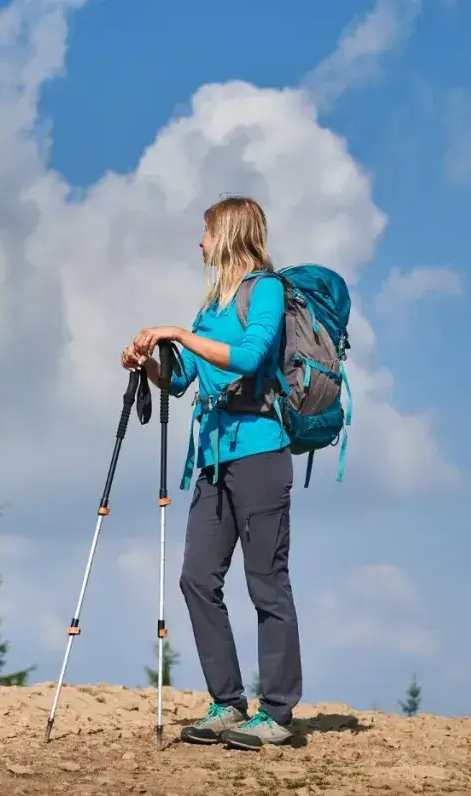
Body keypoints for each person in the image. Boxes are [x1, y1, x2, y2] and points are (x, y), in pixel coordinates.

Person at [121, 195, 299, 751]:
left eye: (205, 232)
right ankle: (227, 701)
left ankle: (276, 712)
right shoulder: (209, 307)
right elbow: (181, 381)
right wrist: (148, 362)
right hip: (214, 461)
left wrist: (178, 332)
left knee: (266, 582)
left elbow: (248, 358)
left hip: (262, 452)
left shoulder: (265, 290)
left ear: (227, 234)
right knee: (197, 577)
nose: (199, 243)